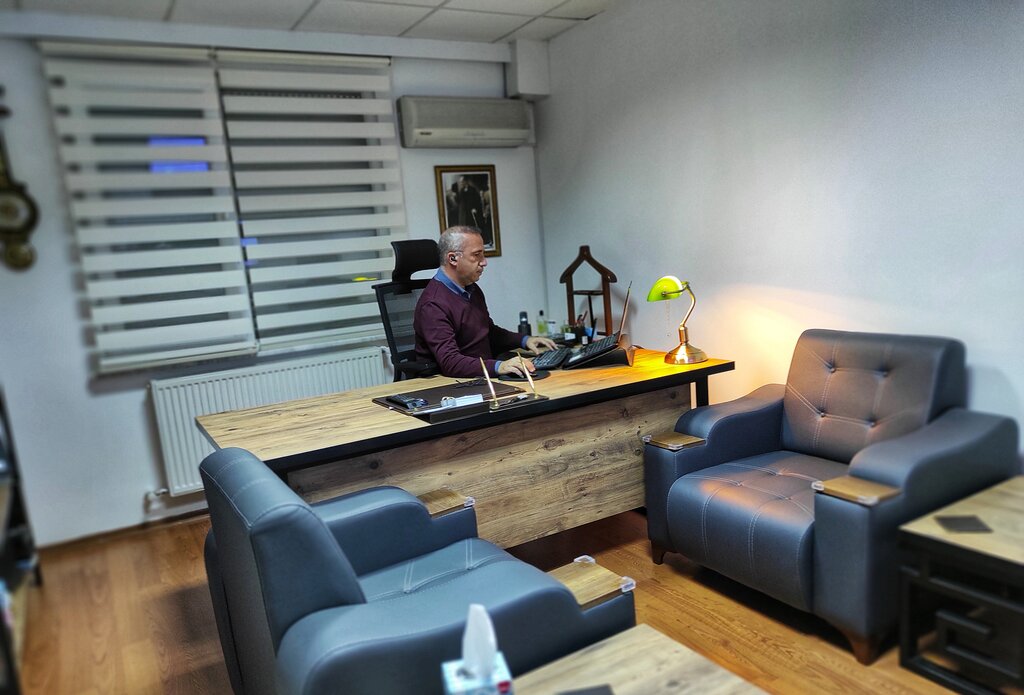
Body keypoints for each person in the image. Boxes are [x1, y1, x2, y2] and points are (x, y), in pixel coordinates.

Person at [414, 226, 557, 378]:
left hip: (482, 375)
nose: (484, 262)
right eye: (477, 255)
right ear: (453, 259)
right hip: (452, 384)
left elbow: (488, 332)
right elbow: (451, 362)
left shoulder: (471, 289)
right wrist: (499, 366)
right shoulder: (433, 304)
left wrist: (524, 340)